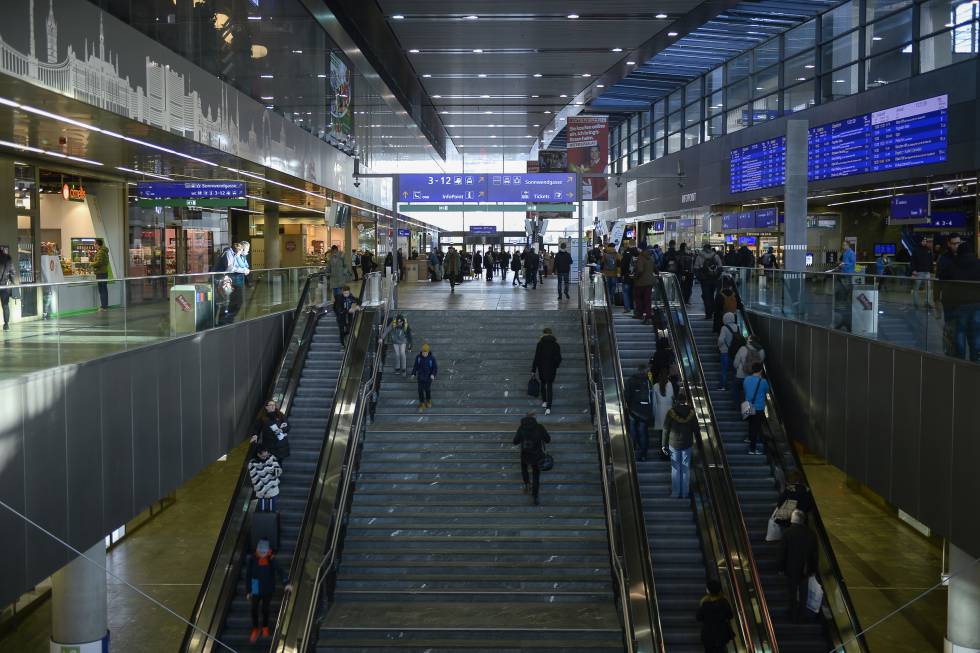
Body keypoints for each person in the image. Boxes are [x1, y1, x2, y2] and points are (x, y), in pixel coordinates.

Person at [244, 538, 291, 643]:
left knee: (265, 609)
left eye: (264, 552)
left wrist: (286, 583)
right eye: (260, 552)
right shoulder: (252, 559)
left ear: (268, 551)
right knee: (254, 609)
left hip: (268, 587)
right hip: (255, 586)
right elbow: (248, 576)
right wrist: (248, 591)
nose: (262, 554)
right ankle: (255, 628)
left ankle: (265, 627)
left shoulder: (271, 559)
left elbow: (280, 571)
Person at [779, 510, 818, 624]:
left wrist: (780, 567)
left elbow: (783, 552)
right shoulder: (811, 533)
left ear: (793, 519)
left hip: (791, 569)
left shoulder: (787, 533)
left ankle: (793, 615)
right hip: (806, 569)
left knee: (792, 593)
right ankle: (802, 615)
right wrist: (814, 569)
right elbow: (815, 554)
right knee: (803, 593)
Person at [662, 392, 697, 499]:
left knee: (676, 469)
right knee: (685, 468)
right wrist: (698, 442)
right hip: (687, 443)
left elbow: (666, 429)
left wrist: (663, 444)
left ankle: (675, 493)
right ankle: (685, 493)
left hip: (674, 443)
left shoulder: (671, 412)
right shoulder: (691, 412)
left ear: (677, 400)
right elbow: (696, 429)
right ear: (685, 401)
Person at [513, 412, 551, 506]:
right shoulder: (539, 427)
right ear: (534, 418)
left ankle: (526, 483)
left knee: (524, 467)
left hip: (525, 454)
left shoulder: (522, 428)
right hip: (537, 455)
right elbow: (548, 440)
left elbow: (515, 441)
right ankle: (535, 496)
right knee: (536, 475)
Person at [696, 579, 735, 653]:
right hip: (721, 633)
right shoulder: (724, 602)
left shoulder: (705, 603)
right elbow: (730, 616)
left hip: (708, 634)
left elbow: (698, 617)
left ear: (708, 590)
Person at [625, 364, 653, 462]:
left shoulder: (630, 380)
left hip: (633, 410)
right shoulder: (648, 382)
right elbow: (652, 397)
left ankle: (632, 452)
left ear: (637, 370)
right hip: (645, 411)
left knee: (632, 431)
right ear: (645, 370)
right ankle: (643, 455)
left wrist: (628, 407)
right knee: (643, 433)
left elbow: (627, 396)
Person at [531, 327, 562, 415]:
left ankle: (544, 401)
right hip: (551, 369)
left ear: (543, 334)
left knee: (543, 383)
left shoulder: (540, 344)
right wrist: (555, 366)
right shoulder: (556, 345)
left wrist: (533, 369)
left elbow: (536, 357)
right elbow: (559, 358)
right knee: (549, 386)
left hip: (542, 367)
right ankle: (549, 407)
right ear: (551, 334)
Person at [743, 362, 769, 455]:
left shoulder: (746, 379)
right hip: (758, 408)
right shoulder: (763, 382)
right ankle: (752, 449)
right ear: (761, 370)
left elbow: (745, 390)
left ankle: (749, 439)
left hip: (748, 406)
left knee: (750, 425)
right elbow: (767, 391)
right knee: (755, 428)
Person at [732, 334, 765, 405]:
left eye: (748, 339)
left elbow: (735, 363)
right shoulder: (761, 351)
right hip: (754, 377)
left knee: (736, 389)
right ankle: (747, 410)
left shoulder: (743, 349)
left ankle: (738, 407)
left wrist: (738, 368)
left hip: (741, 376)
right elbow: (760, 363)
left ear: (750, 341)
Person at [247, 445, 282, 512]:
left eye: (266, 455)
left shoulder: (271, 457)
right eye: (263, 456)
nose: (265, 457)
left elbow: (278, 469)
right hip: (262, 492)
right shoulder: (253, 463)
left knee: (272, 511)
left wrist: (275, 472)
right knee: (262, 511)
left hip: (273, 489)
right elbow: (255, 479)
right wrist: (264, 493)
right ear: (258, 454)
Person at [651, 368, 675, 462]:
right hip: (669, 412)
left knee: (661, 436)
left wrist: (654, 414)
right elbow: (672, 398)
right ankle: (669, 454)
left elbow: (654, 402)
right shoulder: (670, 385)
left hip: (659, 413)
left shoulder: (655, 386)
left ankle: (663, 454)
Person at [695, 244, 723, 320]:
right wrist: (716, 277)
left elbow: (696, 268)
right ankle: (713, 310)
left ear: (704, 248)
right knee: (711, 295)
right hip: (714, 279)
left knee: (706, 296)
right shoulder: (716, 256)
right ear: (710, 249)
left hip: (704, 280)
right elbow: (720, 267)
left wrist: (700, 278)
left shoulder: (699, 257)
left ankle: (708, 314)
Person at [632, 246, 656, 322]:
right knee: (647, 299)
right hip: (649, 282)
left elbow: (640, 270)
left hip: (640, 282)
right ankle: (647, 315)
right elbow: (655, 268)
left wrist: (635, 276)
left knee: (638, 298)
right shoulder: (651, 257)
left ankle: (640, 314)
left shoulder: (641, 257)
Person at [411, 343, 438, 411]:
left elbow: (435, 368)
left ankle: (428, 400)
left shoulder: (432, 358)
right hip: (420, 377)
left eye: (426, 353)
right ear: (422, 351)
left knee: (427, 390)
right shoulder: (418, 357)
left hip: (428, 377)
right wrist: (413, 374)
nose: (424, 354)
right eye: (423, 352)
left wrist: (433, 374)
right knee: (420, 390)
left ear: (428, 352)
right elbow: (415, 366)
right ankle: (422, 403)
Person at [717, 312, 739, 391]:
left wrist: (719, 346)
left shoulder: (724, 328)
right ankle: (735, 386)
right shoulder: (737, 327)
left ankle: (724, 385)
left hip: (725, 351)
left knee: (724, 369)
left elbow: (721, 339)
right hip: (735, 352)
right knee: (735, 369)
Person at [909, 236, 933, 310]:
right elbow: (912, 261)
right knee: (916, 288)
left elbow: (930, 261)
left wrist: (930, 271)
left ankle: (927, 302)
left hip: (927, 272)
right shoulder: (915, 250)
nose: (925, 242)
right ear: (920, 241)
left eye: (925, 241)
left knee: (928, 289)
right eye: (924, 241)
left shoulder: (928, 250)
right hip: (918, 272)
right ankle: (916, 303)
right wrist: (913, 270)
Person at [91, 238, 111, 311]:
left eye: (94, 244)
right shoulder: (104, 251)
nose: (94, 245)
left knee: (102, 290)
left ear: (98, 244)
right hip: (104, 272)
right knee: (104, 290)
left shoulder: (100, 252)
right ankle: (104, 306)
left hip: (100, 273)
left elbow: (99, 262)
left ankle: (103, 307)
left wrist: (91, 264)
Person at [620, 240, 637, 314]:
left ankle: (627, 308)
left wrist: (622, 275)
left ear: (629, 244)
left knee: (626, 292)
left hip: (627, 276)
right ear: (635, 244)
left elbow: (623, 265)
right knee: (635, 293)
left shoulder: (626, 253)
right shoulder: (639, 252)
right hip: (637, 277)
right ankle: (635, 308)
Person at [0, 246, 14, 330]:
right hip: (4, 285)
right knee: (5, 305)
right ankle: (6, 324)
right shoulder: (7, 258)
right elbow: (12, 272)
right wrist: (12, 282)